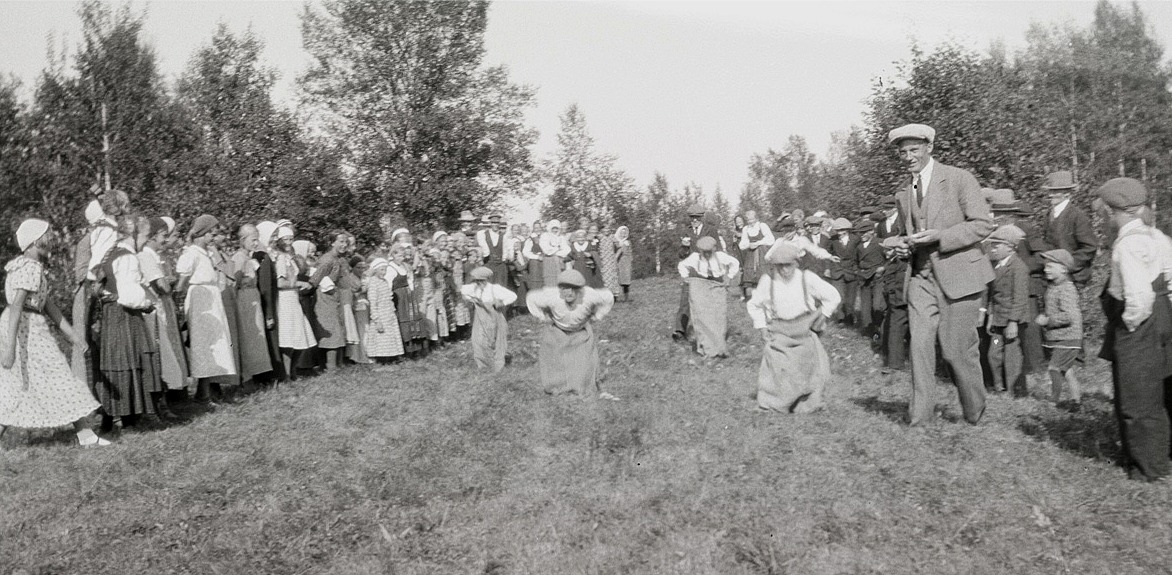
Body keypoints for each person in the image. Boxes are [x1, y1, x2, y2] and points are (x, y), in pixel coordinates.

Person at [889, 123, 995, 426]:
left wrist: (941, 236)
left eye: (914, 150)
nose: (909, 157)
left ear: (929, 148)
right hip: (921, 278)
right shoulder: (903, 193)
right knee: (919, 347)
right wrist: (901, 246)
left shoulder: (960, 179)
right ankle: (919, 418)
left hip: (960, 278)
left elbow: (982, 225)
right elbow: (904, 233)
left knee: (956, 352)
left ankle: (974, 412)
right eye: (903, 152)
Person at [0, 219, 108, 447]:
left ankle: (85, 434)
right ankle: (85, 435)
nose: (50, 238)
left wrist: (74, 337)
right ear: (34, 241)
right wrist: (10, 348)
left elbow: (49, 307)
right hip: (24, 329)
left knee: (23, 382)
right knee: (54, 376)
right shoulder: (28, 268)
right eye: (46, 234)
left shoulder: (31, 268)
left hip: (28, 325)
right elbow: (17, 305)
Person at [1095, 177, 1172, 482]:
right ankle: (1162, 455)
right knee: (1163, 391)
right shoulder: (1158, 236)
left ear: (1116, 212)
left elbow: (1138, 297)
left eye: (1105, 212)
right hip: (1165, 318)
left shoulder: (1127, 244)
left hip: (1139, 323)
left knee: (1137, 398)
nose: (1103, 217)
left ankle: (1147, 470)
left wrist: (1129, 327)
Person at [747, 242, 841, 413]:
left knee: (807, 370)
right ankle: (773, 404)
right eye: (780, 266)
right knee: (777, 368)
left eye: (788, 265)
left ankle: (805, 403)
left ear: (796, 263)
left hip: (804, 331)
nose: (784, 270)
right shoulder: (768, 280)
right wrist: (761, 327)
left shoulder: (807, 278)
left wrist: (823, 316)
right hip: (779, 331)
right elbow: (754, 305)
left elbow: (833, 296)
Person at [96, 214, 163, 427]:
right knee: (127, 361)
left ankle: (119, 416)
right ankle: (127, 417)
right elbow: (128, 294)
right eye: (144, 235)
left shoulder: (111, 253)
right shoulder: (127, 257)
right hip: (124, 315)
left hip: (112, 314)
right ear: (133, 235)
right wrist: (147, 304)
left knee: (119, 363)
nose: (145, 240)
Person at [526, 269, 617, 399]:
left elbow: (608, 297)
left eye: (573, 289)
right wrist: (542, 317)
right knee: (555, 362)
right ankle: (557, 389)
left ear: (580, 289)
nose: (568, 292)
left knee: (585, 363)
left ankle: (581, 388)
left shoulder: (589, 295)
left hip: (580, 331)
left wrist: (597, 315)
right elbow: (531, 298)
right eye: (564, 288)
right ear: (559, 289)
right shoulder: (551, 296)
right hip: (557, 331)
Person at [177, 215, 238, 402]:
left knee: (215, 343)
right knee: (203, 345)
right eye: (211, 233)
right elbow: (181, 283)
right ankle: (202, 393)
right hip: (200, 300)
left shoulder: (207, 254)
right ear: (202, 234)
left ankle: (207, 390)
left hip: (211, 300)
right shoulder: (192, 254)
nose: (213, 237)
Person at [138, 217, 190, 401]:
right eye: (163, 236)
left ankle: (173, 392)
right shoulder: (145, 255)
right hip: (154, 307)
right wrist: (167, 281)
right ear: (151, 236)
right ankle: (162, 398)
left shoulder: (156, 256)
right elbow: (162, 286)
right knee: (161, 349)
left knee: (168, 347)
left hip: (162, 305)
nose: (166, 240)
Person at [984, 225, 1030, 395]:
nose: (993, 249)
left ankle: (1014, 391)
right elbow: (992, 295)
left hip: (1012, 323)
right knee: (993, 353)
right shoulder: (996, 266)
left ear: (1010, 248)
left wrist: (1013, 323)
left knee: (1012, 358)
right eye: (992, 245)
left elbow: (1019, 298)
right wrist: (990, 317)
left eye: (997, 245)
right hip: (998, 322)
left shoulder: (1019, 268)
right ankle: (999, 386)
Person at [1034, 249, 1084, 407]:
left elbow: (1069, 316)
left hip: (1068, 337)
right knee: (1066, 370)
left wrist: (1047, 320)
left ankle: (1054, 400)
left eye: (1050, 267)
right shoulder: (1054, 287)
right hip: (1060, 337)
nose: (1045, 269)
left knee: (1054, 368)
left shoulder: (1067, 288)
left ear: (1063, 269)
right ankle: (1076, 401)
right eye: (1045, 267)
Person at [678, 236, 740, 359]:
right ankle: (706, 348)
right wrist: (686, 278)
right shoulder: (695, 257)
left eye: (709, 252)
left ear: (714, 249)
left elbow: (735, 263)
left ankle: (719, 346)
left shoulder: (721, 256)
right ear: (700, 250)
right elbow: (682, 265)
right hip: (700, 285)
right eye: (704, 252)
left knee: (719, 315)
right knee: (701, 316)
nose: (706, 254)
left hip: (718, 286)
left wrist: (729, 276)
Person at [231, 224, 274, 384]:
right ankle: (247, 377)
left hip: (253, 299)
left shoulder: (249, 257)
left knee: (256, 338)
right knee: (248, 336)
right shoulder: (239, 258)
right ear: (243, 240)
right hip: (244, 301)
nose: (256, 243)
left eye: (258, 240)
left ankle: (258, 374)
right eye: (253, 240)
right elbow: (234, 282)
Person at [273, 224, 317, 378]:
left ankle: (292, 370)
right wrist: (299, 284)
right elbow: (280, 283)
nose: (289, 242)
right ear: (279, 241)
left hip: (293, 299)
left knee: (301, 336)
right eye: (285, 239)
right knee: (288, 338)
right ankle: (286, 374)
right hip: (285, 300)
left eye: (291, 239)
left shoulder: (289, 258)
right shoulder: (280, 259)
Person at [1041, 171, 1098, 289]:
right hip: (1054, 278)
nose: (1051, 195)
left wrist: (1068, 265)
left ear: (1067, 193)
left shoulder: (1077, 216)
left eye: (1056, 191)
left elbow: (1089, 247)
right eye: (1050, 191)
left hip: (1074, 279)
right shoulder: (1048, 215)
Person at [674, 204, 722, 341]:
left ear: (702, 218)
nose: (694, 220)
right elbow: (681, 255)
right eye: (692, 218)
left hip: (707, 270)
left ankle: (708, 332)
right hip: (691, 271)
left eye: (697, 218)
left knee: (706, 303)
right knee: (685, 300)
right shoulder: (686, 231)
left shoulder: (711, 230)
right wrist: (684, 246)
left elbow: (717, 250)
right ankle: (680, 331)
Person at [461, 266, 518, 372]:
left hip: (495, 318)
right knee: (478, 341)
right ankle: (484, 366)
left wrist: (502, 303)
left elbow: (513, 296)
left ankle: (497, 366)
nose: (478, 283)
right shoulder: (474, 288)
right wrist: (471, 299)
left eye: (481, 280)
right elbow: (463, 291)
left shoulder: (494, 289)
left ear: (486, 280)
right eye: (476, 280)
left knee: (498, 342)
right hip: (480, 319)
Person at [309, 230, 350, 370]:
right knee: (330, 330)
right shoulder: (327, 259)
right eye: (341, 241)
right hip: (324, 298)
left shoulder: (339, 259)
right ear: (332, 242)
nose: (344, 245)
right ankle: (329, 366)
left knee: (337, 329)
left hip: (334, 297)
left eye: (346, 242)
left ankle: (336, 364)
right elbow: (314, 279)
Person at [253, 221, 286, 382]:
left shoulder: (265, 254)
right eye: (272, 235)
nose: (275, 239)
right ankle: (273, 376)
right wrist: (269, 314)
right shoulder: (263, 257)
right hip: (267, 303)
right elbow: (265, 287)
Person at [364, 257, 405, 362]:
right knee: (381, 337)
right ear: (375, 270)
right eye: (381, 270)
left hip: (388, 312)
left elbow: (389, 298)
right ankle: (382, 358)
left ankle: (391, 356)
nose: (384, 272)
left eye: (385, 270)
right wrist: (376, 319)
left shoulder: (384, 281)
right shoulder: (373, 282)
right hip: (380, 313)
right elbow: (373, 302)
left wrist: (392, 311)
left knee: (390, 335)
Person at [880, 236, 910, 372]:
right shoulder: (893, 261)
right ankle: (896, 362)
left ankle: (896, 364)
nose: (885, 253)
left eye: (887, 250)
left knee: (896, 330)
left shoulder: (900, 262)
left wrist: (891, 292)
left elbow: (899, 282)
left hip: (900, 300)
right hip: (898, 300)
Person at [854, 219, 886, 335]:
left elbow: (889, 259)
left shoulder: (880, 243)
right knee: (865, 306)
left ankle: (879, 327)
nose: (861, 235)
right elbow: (856, 262)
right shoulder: (858, 247)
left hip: (878, 278)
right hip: (864, 279)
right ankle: (868, 328)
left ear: (872, 231)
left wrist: (883, 268)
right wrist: (858, 272)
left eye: (864, 232)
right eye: (859, 233)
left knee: (877, 304)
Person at [827, 218, 859, 324]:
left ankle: (849, 317)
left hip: (852, 271)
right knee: (839, 296)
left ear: (847, 229)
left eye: (842, 230)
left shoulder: (855, 239)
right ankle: (840, 318)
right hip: (838, 271)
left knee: (850, 299)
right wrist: (828, 267)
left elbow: (859, 255)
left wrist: (857, 268)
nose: (839, 233)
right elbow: (828, 255)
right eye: (837, 231)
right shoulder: (833, 240)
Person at [738, 210, 775, 301]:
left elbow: (771, 239)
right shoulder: (745, 229)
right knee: (750, 275)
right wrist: (748, 245)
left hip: (762, 252)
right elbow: (743, 243)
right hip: (751, 253)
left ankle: (768, 297)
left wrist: (759, 243)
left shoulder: (762, 226)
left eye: (752, 219)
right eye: (748, 220)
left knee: (763, 272)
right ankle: (754, 298)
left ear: (756, 218)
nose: (750, 221)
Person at [597, 223, 621, 298]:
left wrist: (616, 256)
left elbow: (620, 248)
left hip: (611, 260)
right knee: (604, 277)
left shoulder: (612, 237)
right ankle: (605, 295)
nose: (607, 230)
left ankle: (614, 295)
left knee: (612, 277)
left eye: (608, 228)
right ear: (601, 230)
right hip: (602, 260)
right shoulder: (599, 237)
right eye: (605, 228)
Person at [614, 225, 633, 302]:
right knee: (616, 278)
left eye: (625, 233)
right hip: (618, 261)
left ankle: (626, 297)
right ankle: (614, 297)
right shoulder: (616, 242)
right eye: (622, 233)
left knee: (626, 279)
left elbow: (630, 252)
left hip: (626, 262)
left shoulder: (627, 242)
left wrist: (631, 259)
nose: (623, 235)